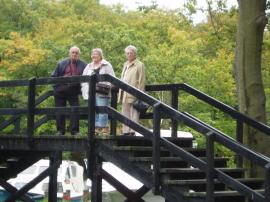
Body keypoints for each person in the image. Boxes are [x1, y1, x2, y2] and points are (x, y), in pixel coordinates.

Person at [51, 46, 87, 135]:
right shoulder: (61, 63)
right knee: (60, 111)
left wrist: (83, 90)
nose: (74, 54)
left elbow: (87, 77)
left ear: (79, 54)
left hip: (74, 91)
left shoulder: (83, 65)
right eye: (73, 52)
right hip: (60, 91)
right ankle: (60, 130)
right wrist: (57, 88)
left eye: (76, 53)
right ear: (69, 53)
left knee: (75, 110)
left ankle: (74, 131)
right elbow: (53, 77)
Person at [81, 48, 115, 135]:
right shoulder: (88, 66)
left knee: (102, 110)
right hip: (90, 92)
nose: (94, 56)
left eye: (96, 54)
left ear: (100, 55)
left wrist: (105, 85)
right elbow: (83, 78)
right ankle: (95, 128)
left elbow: (113, 78)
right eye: (92, 54)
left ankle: (104, 128)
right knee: (93, 110)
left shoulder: (107, 65)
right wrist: (84, 89)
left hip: (102, 90)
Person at [118, 45, 146, 136]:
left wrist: (140, 93)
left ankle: (132, 131)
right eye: (127, 53)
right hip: (124, 92)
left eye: (131, 53)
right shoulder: (125, 64)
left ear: (135, 54)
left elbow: (141, 80)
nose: (129, 54)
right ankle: (126, 131)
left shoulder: (139, 65)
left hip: (134, 91)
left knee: (134, 113)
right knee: (125, 112)